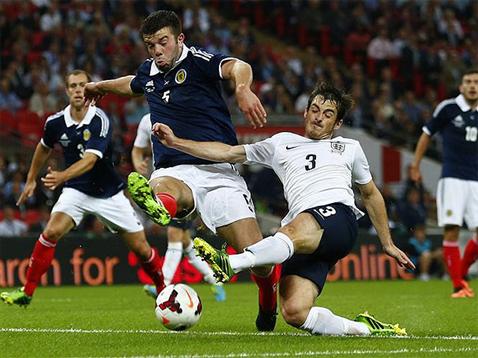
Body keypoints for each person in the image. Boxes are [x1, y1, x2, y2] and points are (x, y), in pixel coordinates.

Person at [153, 82, 415, 336]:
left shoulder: (350, 148)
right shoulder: (281, 143)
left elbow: (370, 194)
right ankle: (364, 328)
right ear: (305, 111)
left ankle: (231, 262)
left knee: (289, 229)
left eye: (327, 114)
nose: (318, 118)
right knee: (294, 312)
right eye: (314, 109)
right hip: (307, 235)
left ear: (338, 124)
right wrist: (177, 143)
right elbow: (228, 153)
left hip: (337, 219)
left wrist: (387, 243)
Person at [84, 10, 278, 331]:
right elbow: (132, 84)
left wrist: (242, 88)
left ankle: (268, 304)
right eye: (150, 45)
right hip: (175, 167)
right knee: (163, 184)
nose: (157, 50)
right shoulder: (149, 72)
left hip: (219, 170)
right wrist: (100, 86)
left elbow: (237, 66)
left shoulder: (198, 61)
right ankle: (160, 206)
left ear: (179, 39)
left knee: (259, 258)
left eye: (163, 42)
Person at [0, 70, 165, 307]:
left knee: (141, 248)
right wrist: (30, 178)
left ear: (89, 89)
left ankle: (163, 288)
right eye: (73, 86)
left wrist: (61, 176)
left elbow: (90, 160)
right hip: (76, 191)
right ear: (67, 91)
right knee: (50, 232)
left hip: (109, 193)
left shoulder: (100, 119)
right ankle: (26, 292)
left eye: (82, 85)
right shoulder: (55, 122)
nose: (78, 90)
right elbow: (43, 147)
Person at [131, 113, 225, 301]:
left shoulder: (183, 113)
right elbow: (137, 149)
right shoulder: (146, 121)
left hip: (186, 187)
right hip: (163, 186)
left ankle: (163, 283)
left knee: (175, 235)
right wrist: (138, 164)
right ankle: (215, 280)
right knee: (183, 241)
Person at [410, 69, 478, 298]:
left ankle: (461, 272)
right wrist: (415, 165)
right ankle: (458, 285)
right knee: (452, 231)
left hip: (476, 180)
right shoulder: (448, 108)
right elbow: (426, 134)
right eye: (468, 81)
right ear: (461, 86)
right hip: (453, 178)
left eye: (476, 82)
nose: (472, 86)